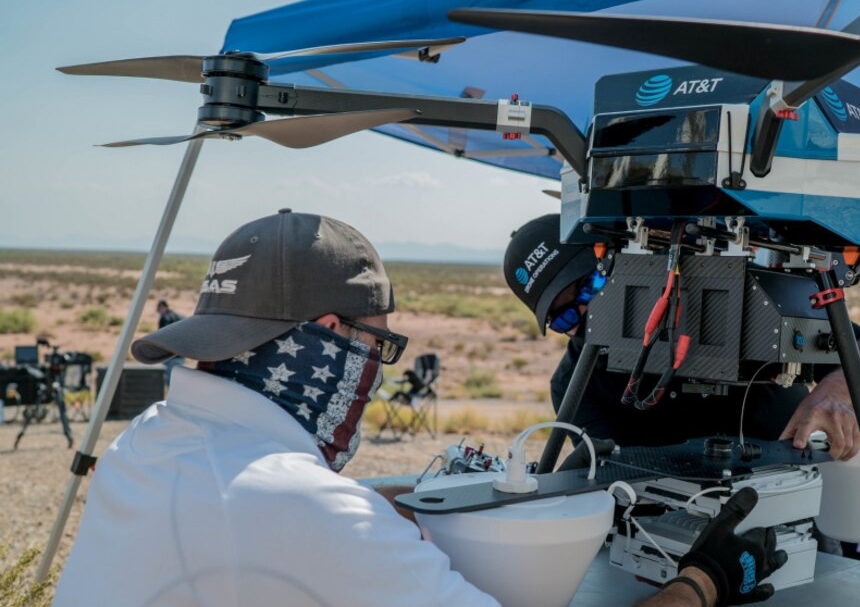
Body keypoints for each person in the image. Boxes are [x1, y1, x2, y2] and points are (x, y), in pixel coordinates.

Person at [55, 209, 786, 607]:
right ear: (330, 336)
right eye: (377, 346)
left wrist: (408, 498)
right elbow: (302, 515)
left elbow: (267, 514)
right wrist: (706, 581)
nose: (373, 375)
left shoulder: (146, 444)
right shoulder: (301, 509)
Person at [503, 214, 860, 460]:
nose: (586, 313)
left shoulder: (738, 298)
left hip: (790, 505)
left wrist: (835, 395)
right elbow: (606, 479)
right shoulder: (575, 384)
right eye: (564, 317)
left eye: (590, 287)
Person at [156, 300, 186, 387]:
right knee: (177, 382)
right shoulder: (180, 317)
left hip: (169, 356)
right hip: (181, 354)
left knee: (169, 382)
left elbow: (163, 336)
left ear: (162, 307)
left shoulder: (165, 318)